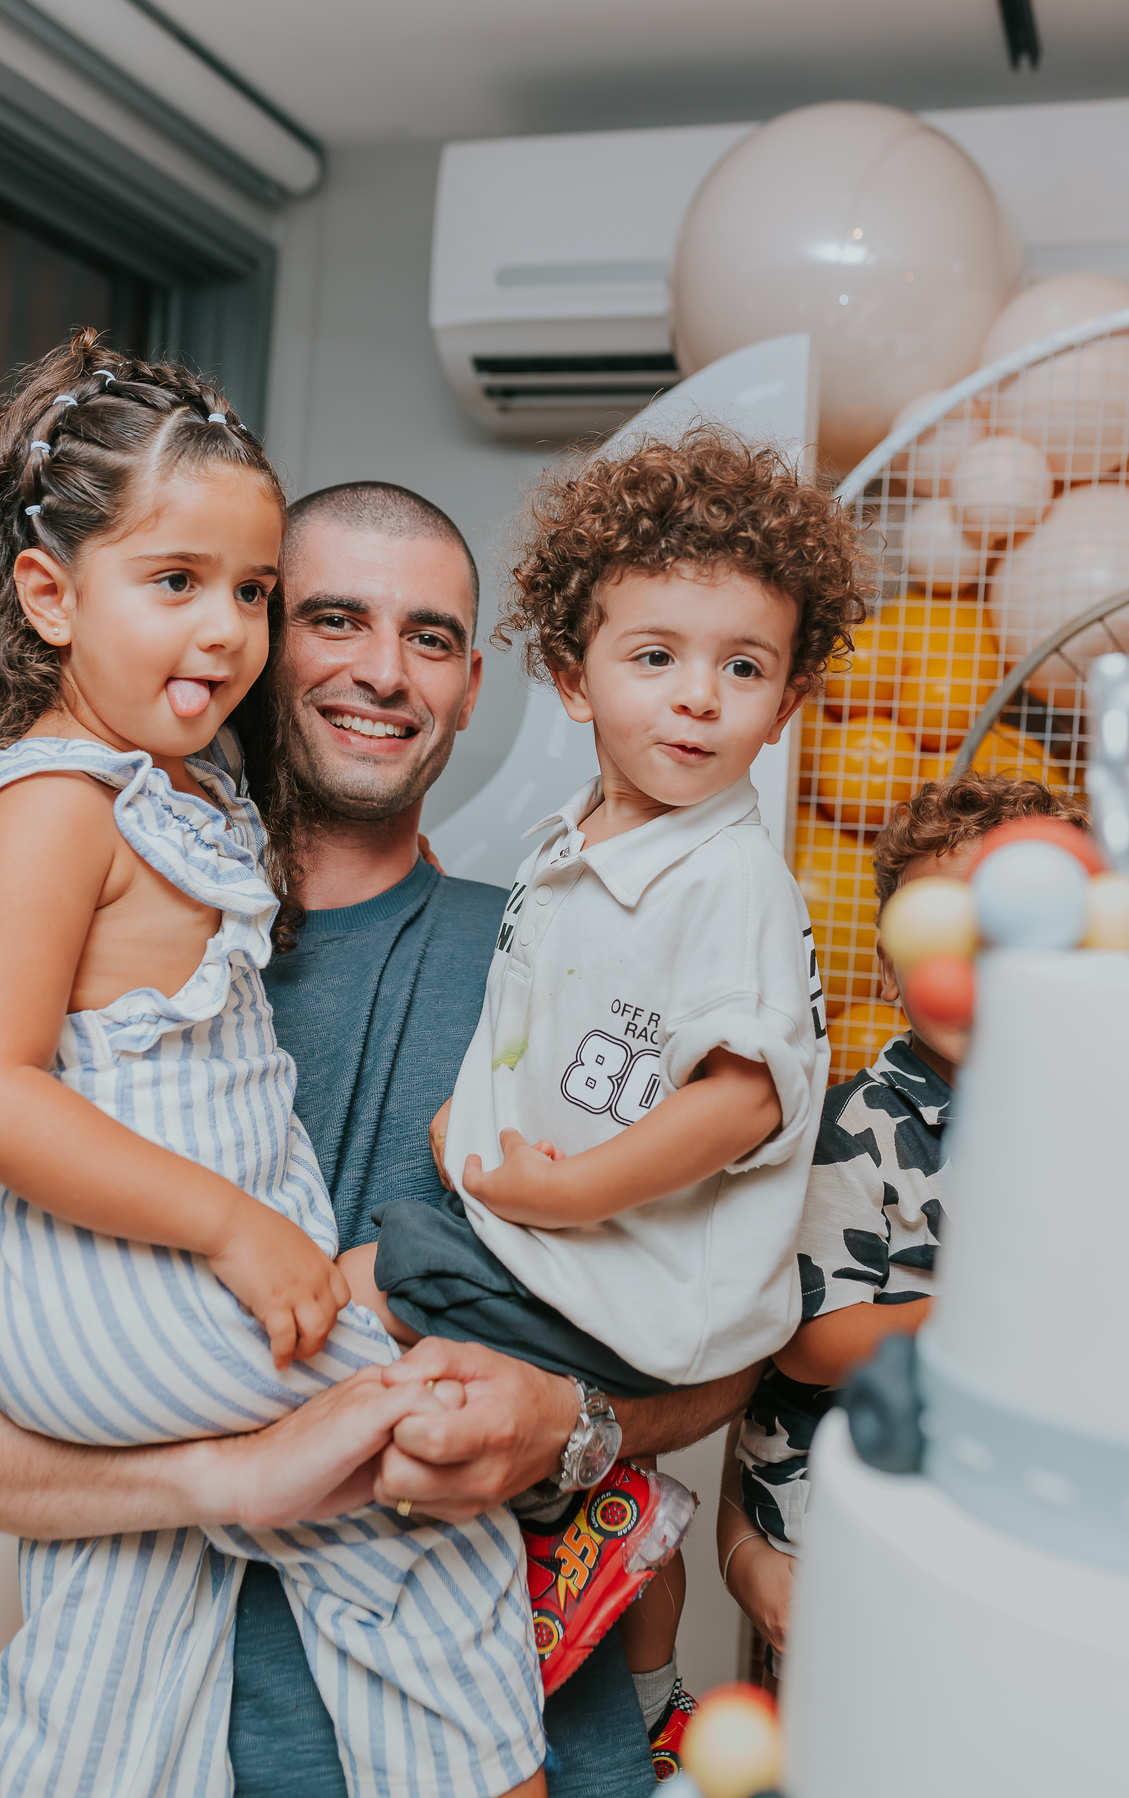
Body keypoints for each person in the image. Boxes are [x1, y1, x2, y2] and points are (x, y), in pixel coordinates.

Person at [0, 471, 763, 1798]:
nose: (384, 672)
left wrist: (567, 1424)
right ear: (251, 644)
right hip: (183, 1748)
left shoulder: (570, 960)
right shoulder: (84, 962)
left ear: (472, 689)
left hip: (533, 1740)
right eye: (333, 617)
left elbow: (724, 1349)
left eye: (431, 638)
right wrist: (241, 1475)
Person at [0, 335, 544, 1797]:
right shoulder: (60, 806)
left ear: (475, 685)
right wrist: (246, 1228)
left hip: (124, 1329)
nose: (224, 629)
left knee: (113, 1650)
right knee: (428, 1489)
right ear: (50, 596)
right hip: (133, 1303)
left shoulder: (178, 801)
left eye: (248, 592)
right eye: (180, 582)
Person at [353, 430, 864, 1763]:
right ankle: (605, 1553)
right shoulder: (574, 845)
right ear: (574, 678)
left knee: (382, 1277)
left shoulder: (729, 879)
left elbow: (740, 1104)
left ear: (787, 701)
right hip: (567, 1250)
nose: (698, 698)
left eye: (742, 668)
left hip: (629, 1289)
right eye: (656, 657)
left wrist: (567, 1190)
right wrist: (467, 1124)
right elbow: (541, 1024)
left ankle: (586, 1555)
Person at [722, 772, 1092, 1687]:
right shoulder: (857, 1127)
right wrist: (992, 1314)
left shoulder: (1086, 1128)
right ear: (889, 972)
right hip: (848, 1520)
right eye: (944, 937)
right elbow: (812, 1341)